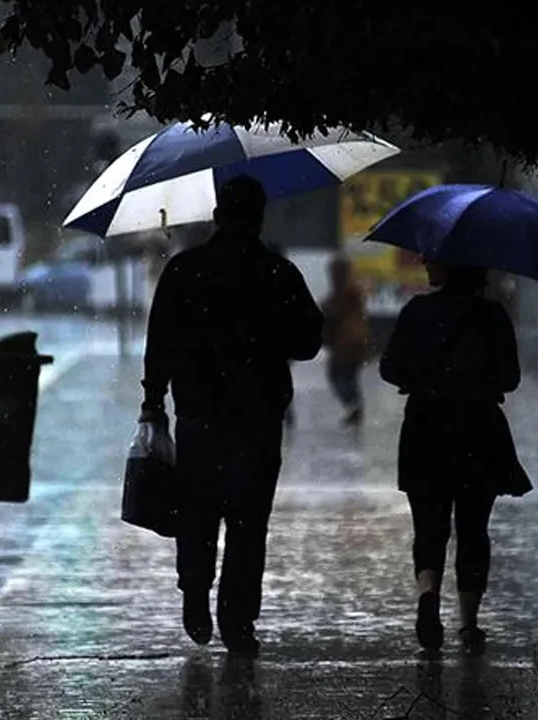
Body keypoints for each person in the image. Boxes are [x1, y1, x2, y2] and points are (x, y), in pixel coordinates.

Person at [139, 174, 324, 657]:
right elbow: (308, 341)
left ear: (217, 214)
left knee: (197, 512)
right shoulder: (278, 274)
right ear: (258, 217)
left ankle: (195, 594)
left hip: (198, 416)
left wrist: (153, 399)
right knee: (248, 522)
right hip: (258, 420)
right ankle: (237, 618)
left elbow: (159, 342)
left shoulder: (184, 271)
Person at [379, 262, 523, 656]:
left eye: (432, 257)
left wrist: (422, 379)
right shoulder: (493, 315)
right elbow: (511, 377)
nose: (424, 261)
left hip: (426, 428)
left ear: (448, 264)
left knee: (429, 524)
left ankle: (428, 592)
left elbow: (388, 368)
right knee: (473, 528)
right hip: (478, 429)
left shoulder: (417, 312)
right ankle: (469, 623)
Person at [321, 255, 372, 425]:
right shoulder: (344, 292)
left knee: (340, 377)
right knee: (347, 377)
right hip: (349, 344)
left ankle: (355, 408)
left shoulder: (349, 292)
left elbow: (338, 312)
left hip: (348, 344)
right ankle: (355, 409)